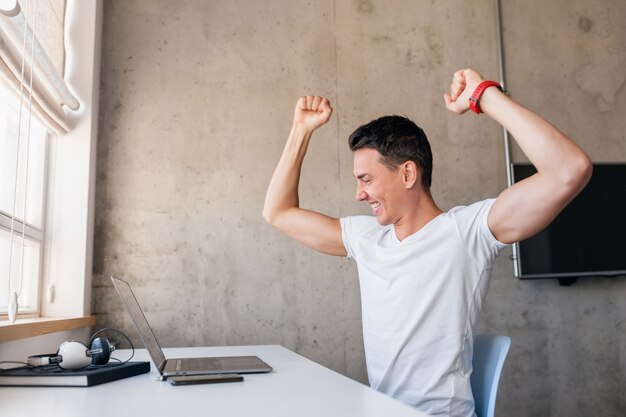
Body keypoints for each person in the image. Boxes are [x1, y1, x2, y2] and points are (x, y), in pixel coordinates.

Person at [262, 68, 592, 417]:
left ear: (407, 173)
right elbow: (277, 212)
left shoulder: (466, 233)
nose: (359, 194)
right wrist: (300, 131)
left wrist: (484, 94)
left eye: (367, 180)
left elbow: (569, 169)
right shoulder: (366, 238)